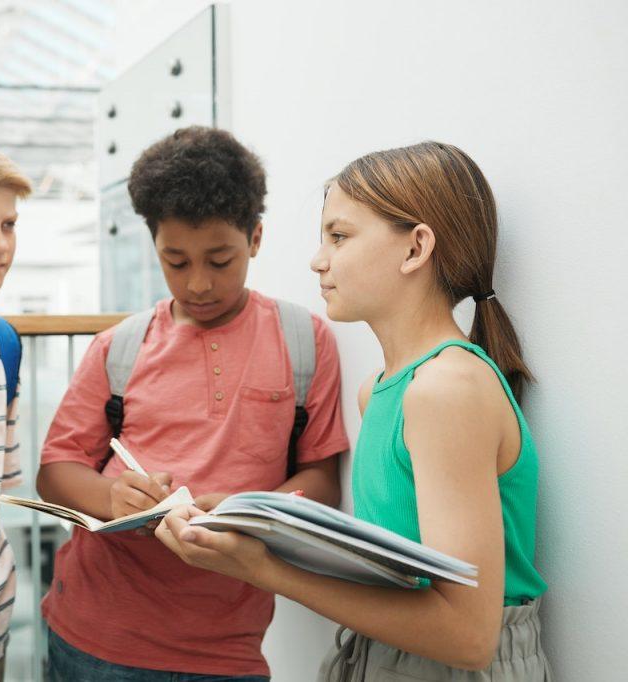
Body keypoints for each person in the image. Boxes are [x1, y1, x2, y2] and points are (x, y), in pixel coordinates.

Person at [158, 141, 551, 681]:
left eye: (339, 236)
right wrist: (257, 521)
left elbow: (468, 636)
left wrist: (263, 569)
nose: (318, 259)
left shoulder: (446, 389)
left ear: (415, 249)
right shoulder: (382, 389)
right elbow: (402, 561)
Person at [36, 126, 350, 680]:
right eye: (176, 262)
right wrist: (112, 496)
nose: (199, 283)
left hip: (228, 646)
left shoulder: (304, 342)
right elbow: (55, 472)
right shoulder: (119, 349)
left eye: (220, 259)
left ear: (255, 238)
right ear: (154, 245)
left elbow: (320, 478)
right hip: (96, 637)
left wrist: (252, 511)